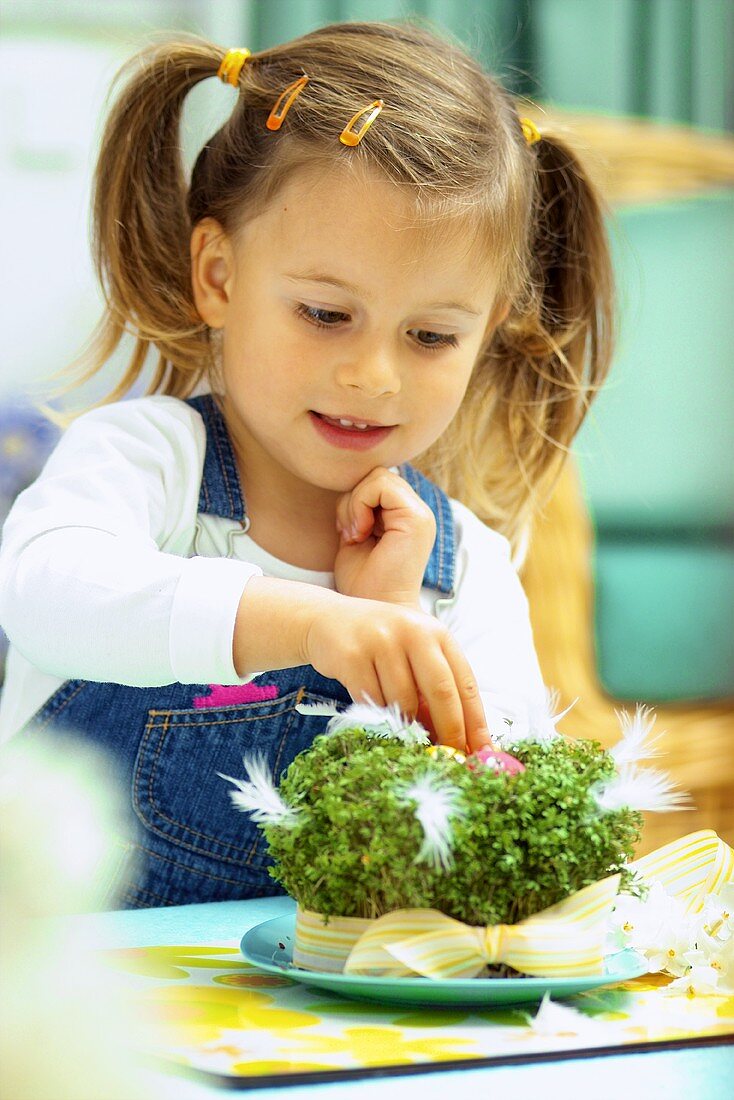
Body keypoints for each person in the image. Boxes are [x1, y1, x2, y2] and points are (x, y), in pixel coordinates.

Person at [0, 20, 613, 907]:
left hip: (304, 1028)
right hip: (63, 997)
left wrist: (389, 623)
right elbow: (43, 592)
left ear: (490, 330)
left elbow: (491, 807)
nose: (374, 374)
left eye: (432, 335)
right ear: (218, 274)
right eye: (326, 314)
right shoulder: (149, 461)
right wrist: (308, 624)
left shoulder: (464, 564)